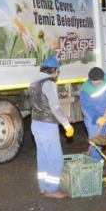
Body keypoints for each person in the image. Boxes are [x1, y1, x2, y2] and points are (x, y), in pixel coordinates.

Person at [30, 56, 74, 199]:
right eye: (57, 71)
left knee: (43, 158)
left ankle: (43, 187)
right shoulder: (48, 84)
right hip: (47, 126)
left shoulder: (33, 82)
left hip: (36, 124)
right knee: (55, 159)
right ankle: (52, 190)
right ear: (53, 70)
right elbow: (55, 107)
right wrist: (66, 125)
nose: (57, 74)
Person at [80, 67, 106, 164]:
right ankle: (98, 165)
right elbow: (86, 108)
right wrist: (97, 119)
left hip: (104, 116)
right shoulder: (85, 89)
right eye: (95, 82)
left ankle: (95, 163)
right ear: (90, 80)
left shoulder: (104, 79)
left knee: (100, 140)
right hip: (93, 120)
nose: (98, 83)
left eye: (100, 81)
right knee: (96, 142)